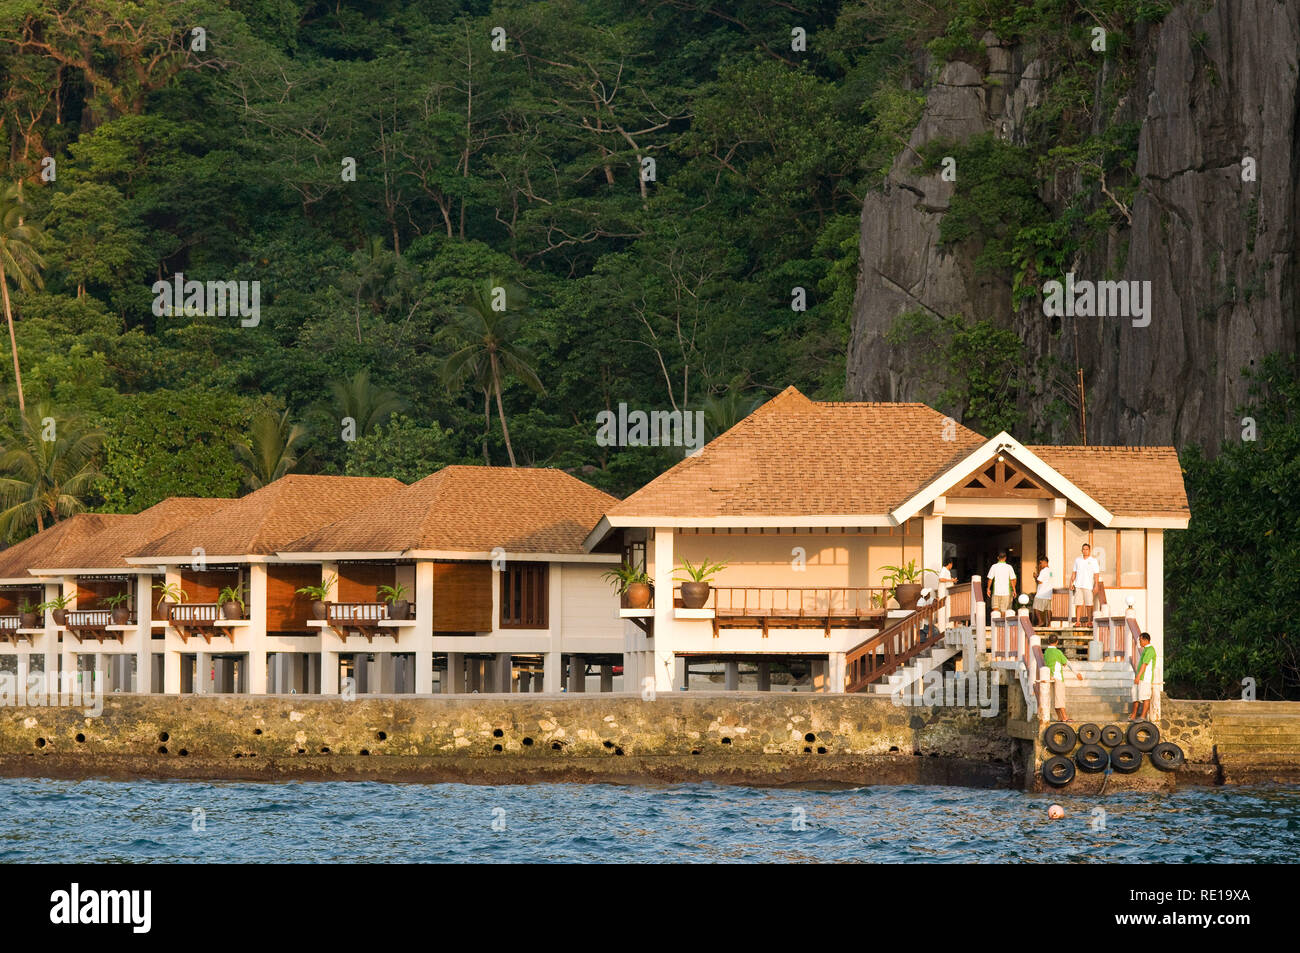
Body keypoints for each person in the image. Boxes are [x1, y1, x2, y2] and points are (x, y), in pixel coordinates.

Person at [1042, 633, 1083, 722]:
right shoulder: (1058, 652)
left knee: (1055, 698)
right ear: (1057, 642)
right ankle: (1064, 717)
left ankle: (1059, 717)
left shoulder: (1046, 652)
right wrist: (1077, 673)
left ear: (1048, 641)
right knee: (1060, 698)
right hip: (1058, 677)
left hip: (1050, 677)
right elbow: (1067, 663)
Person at [1068, 542, 1101, 626]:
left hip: (1088, 586)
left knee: (1089, 604)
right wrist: (1071, 583)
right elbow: (1074, 572)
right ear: (1081, 550)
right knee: (1078, 604)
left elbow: (1096, 574)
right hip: (1078, 585)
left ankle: (1089, 621)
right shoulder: (1077, 560)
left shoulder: (1093, 561)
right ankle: (1078, 621)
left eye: (1087, 549)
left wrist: (1096, 585)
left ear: (1089, 551)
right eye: (1083, 549)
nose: (1085, 551)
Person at [1130, 632, 1156, 721]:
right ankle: (1133, 715)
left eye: (1140, 640)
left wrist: (1138, 676)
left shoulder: (1150, 650)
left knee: (1145, 697)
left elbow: (1145, 664)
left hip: (1145, 678)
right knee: (1135, 695)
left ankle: (1143, 716)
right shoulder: (1145, 649)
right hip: (1140, 677)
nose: (1139, 642)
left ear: (1145, 640)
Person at [1033, 556, 1054, 627]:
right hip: (1048, 593)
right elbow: (1046, 579)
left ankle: (1040, 621)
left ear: (1045, 562)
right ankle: (1049, 624)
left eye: (1041, 563)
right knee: (1048, 609)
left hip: (1041, 593)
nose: (1040, 565)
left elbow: (1040, 582)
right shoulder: (1050, 571)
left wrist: (1035, 577)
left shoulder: (1043, 571)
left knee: (1036, 607)